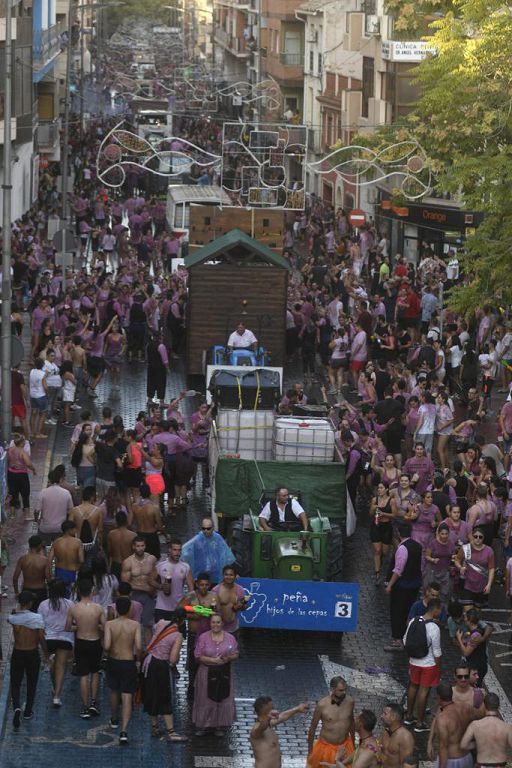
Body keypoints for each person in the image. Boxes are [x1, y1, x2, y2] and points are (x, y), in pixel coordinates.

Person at [142, 608, 188, 743]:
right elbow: (173, 660)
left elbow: (153, 629)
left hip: (149, 662)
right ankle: (171, 732)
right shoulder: (178, 636)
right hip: (161, 666)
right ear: (183, 620)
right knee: (165, 696)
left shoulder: (161, 623)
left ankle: (155, 727)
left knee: (151, 694)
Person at [103, 596, 142, 745]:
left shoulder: (110, 624)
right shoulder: (135, 625)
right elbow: (138, 647)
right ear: (130, 609)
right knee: (127, 695)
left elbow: (106, 646)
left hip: (113, 661)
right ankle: (124, 731)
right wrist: (138, 661)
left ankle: (114, 718)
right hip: (128, 662)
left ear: (117, 609)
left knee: (114, 690)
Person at [192, 614, 239, 737]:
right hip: (206, 673)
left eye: (218, 622)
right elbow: (197, 656)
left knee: (223, 697)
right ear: (210, 623)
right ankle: (203, 725)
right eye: (213, 622)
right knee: (205, 699)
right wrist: (213, 661)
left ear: (222, 624)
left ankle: (219, 725)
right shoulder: (203, 637)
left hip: (224, 673)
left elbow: (236, 653)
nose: (215, 625)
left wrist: (228, 658)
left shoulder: (230, 638)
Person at [65, 578, 105, 719]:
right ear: (91, 591)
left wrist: (80, 627)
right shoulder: (98, 608)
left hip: (81, 642)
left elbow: (68, 627)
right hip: (95, 643)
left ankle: (85, 706)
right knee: (95, 673)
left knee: (83, 675)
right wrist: (95, 627)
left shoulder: (74, 608)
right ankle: (94, 702)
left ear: (79, 592)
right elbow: (104, 627)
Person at [8, 590, 48, 728]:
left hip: (18, 652)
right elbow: (41, 638)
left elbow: (11, 618)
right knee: (32, 683)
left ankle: (17, 707)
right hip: (32, 653)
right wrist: (46, 655)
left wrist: (16, 611)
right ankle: (28, 711)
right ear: (31, 603)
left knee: (15, 682)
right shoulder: (37, 618)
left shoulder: (13, 618)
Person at [403, 597, 442, 732]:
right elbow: (437, 651)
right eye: (440, 610)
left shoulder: (414, 620)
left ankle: (408, 716)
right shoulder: (434, 628)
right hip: (429, 664)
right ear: (435, 610)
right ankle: (420, 722)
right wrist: (438, 667)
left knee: (413, 687)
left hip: (414, 661)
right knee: (424, 691)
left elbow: (405, 640)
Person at [384, 521, 422, 652]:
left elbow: (398, 569)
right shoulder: (417, 546)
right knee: (408, 611)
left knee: (397, 612)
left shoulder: (402, 548)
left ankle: (397, 640)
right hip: (415, 585)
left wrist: (389, 585)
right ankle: (406, 637)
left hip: (402, 586)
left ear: (398, 534)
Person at [37, 579, 74, 707]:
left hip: (49, 639)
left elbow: (40, 626)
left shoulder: (43, 605)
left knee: (54, 665)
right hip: (65, 639)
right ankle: (57, 696)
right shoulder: (70, 604)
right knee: (61, 666)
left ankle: (54, 686)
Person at [179, 572, 218, 689]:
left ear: (209, 585)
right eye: (201, 585)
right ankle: (191, 686)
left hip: (209, 635)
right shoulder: (190, 596)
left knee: (208, 662)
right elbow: (179, 611)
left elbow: (217, 614)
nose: (204, 587)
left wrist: (210, 613)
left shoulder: (214, 596)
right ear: (197, 584)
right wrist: (195, 614)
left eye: (206, 585)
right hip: (194, 634)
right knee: (193, 662)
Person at [427, 682, 479, 768]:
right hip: (466, 757)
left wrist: (442, 766)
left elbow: (443, 747)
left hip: (451, 761)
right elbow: (481, 717)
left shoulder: (443, 718)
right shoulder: (466, 707)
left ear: (439, 697)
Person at [307, 676, 355, 768]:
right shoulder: (322, 705)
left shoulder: (350, 702)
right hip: (325, 748)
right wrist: (310, 751)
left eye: (345, 690)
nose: (344, 692)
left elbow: (351, 723)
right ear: (333, 689)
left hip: (345, 746)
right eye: (341, 690)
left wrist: (353, 742)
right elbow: (312, 728)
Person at [250, 696, 309, 768]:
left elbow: (283, 716)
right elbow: (261, 728)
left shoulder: (269, 724)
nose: (274, 709)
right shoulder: (255, 730)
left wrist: (297, 709)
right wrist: (268, 717)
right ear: (265, 710)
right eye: (271, 708)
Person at [121, 535, 157, 643]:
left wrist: (155, 588)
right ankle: (132, 651)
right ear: (133, 547)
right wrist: (144, 588)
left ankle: (148, 651)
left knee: (148, 624)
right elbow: (125, 584)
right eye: (138, 546)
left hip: (148, 597)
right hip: (134, 596)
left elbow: (156, 577)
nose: (140, 548)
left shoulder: (151, 559)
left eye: (142, 546)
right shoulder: (128, 562)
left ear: (145, 546)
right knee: (132, 624)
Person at [460, 693, 512, 767]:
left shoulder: (475, 725)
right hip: (500, 765)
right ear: (499, 706)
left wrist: (477, 743)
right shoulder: (506, 727)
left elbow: (463, 745)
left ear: (484, 705)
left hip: (482, 764)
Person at [182, 519, 235, 586]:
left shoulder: (217, 538)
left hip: (215, 575)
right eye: (203, 529)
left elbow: (225, 555)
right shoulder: (198, 539)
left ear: (213, 528)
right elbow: (185, 550)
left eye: (208, 528)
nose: (205, 531)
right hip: (201, 576)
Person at [153, 538, 193, 622]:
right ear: (169, 550)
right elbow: (150, 580)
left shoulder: (185, 567)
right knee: (161, 633)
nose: (177, 553)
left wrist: (185, 603)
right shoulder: (160, 565)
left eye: (179, 550)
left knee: (178, 634)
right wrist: (160, 586)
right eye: (175, 550)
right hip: (161, 607)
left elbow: (191, 589)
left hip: (178, 607)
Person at [46, 520, 84, 597]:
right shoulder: (78, 542)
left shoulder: (56, 542)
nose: (76, 530)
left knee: (60, 595)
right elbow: (81, 560)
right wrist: (78, 568)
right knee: (72, 596)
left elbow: (49, 560)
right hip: (73, 572)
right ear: (70, 530)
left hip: (59, 572)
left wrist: (50, 576)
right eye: (74, 529)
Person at [37, 469, 74, 546]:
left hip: (45, 528)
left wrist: (37, 520)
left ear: (49, 479)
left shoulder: (43, 492)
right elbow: (71, 511)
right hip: (60, 528)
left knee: (43, 546)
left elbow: (37, 511)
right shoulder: (66, 493)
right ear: (60, 480)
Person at [12, 535, 48, 610]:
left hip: (26, 590)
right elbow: (49, 578)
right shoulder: (44, 560)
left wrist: (16, 592)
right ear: (40, 545)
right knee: (40, 613)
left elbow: (15, 578)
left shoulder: (22, 559)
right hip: (41, 591)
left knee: (26, 613)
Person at [7, 433, 37, 521]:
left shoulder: (10, 450)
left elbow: (8, 460)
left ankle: (12, 514)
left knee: (13, 493)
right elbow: (28, 463)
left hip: (11, 473)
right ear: (21, 443)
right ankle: (27, 515)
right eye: (24, 441)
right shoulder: (22, 452)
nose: (25, 443)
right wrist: (33, 469)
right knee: (25, 493)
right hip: (21, 475)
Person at [369, 482, 394, 586]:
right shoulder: (375, 500)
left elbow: (394, 515)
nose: (379, 490)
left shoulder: (391, 501)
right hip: (376, 526)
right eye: (378, 488)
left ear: (386, 489)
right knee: (377, 550)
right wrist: (372, 508)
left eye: (381, 488)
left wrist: (384, 514)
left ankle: (381, 563)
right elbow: (370, 514)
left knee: (385, 552)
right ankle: (377, 573)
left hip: (387, 527)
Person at [212, 565, 247, 636]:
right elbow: (212, 609)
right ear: (223, 575)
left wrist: (241, 606)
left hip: (234, 628)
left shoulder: (240, 590)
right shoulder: (216, 590)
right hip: (218, 628)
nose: (228, 577)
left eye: (231, 575)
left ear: (235, 576)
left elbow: (244, 606)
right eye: (226, 574)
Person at [131, 481, 162, 560]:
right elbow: (159, 526)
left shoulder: (134, 506)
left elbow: (129, 523)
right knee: (153, 560)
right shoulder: (154, 508)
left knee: (140, 559)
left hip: (139, 535)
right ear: (150, 493)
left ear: (140, 493)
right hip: (152, 536)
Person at [380, 703, 415, 768]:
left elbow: (405, 765)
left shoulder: (405, 737)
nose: (381, 716)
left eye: (385, 714)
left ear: (393, 717)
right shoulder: (385, 732)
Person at [107, 510, 136, 580]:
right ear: (126, 521)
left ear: (116, 521)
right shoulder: (133, 535)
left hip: (115, 563)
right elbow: (135, 553)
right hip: (129, 564)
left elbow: (109, 551)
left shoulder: (111, 534)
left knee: (116, 588)